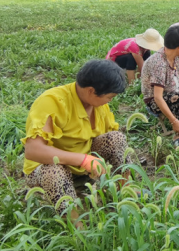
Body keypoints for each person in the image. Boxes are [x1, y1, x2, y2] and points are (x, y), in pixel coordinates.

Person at [22, 59, 136, 221]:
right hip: (48, 170)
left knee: (116, 138)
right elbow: (33, 150)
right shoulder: (53, 102)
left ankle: (126, 193)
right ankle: (76, 226)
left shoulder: (97, 105)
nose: (110, 101)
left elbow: (111, 138)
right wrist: (82, 159)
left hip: (82, 165)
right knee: (53, 171)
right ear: (91, 91)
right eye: (109, 97)